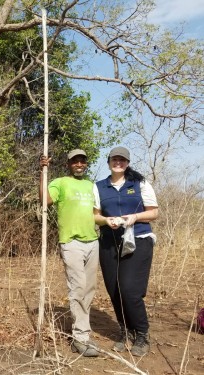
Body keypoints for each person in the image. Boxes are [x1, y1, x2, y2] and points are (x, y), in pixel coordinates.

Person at [93, 146, 158, 356]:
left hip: (138, 239)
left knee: (129, 289)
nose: (118, 162)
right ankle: (125, 331)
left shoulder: (139, 183)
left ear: (127, 162)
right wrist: (106, 220)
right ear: (109, 161)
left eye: (122, 160)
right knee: (114, 290)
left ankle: (141, 333)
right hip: (109, 242)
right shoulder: (99, 187)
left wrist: (135, 217)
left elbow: (154, 212)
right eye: (114, 159)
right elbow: (95, 216)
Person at [40, 149, 99, 357]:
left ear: (86, 163)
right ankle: (80, 338)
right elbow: (45, 200)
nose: (79, 164)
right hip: (71, 242)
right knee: (78, 287)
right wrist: (43, 171)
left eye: (83, 160)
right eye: (75, 161)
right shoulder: (60, 182)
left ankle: (82, 330)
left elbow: (99, 212)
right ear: (69, 164)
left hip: (93, 241)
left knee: (90, 289)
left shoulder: (92, 185)